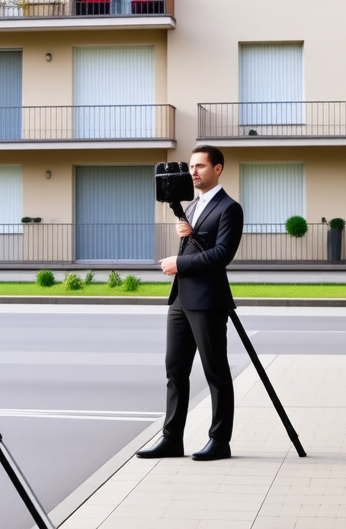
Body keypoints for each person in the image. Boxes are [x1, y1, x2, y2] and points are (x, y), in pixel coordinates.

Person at [137, 144, 244, 462]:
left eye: (200, 166)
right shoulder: (192, 205)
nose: (193, 172)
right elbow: (199, 246)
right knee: (175, 371)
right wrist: (187, 237)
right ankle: (171, 439)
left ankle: (219, 441)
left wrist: (178, 263)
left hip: (208, 300)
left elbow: (221, 255)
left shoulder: (230, 208)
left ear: (218, 169)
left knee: (216, 373)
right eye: (191, 166)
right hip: (180, 300)